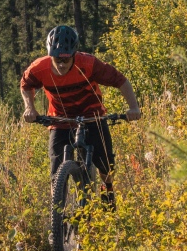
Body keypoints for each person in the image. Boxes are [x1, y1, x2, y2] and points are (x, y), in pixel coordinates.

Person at [20, 25, 139, 192]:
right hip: (60, 118)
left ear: (74, 55)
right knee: (56, 166)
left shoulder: (89, 64)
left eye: (66, 60)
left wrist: (133, 107)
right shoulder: (40, 68)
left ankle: (108, 192)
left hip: (92, 115)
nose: (61, 65)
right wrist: (29, 108)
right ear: (50, 55)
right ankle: (58, 205)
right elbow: (26, 85)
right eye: (57, 60)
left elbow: (121, 81)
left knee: (105, 163)